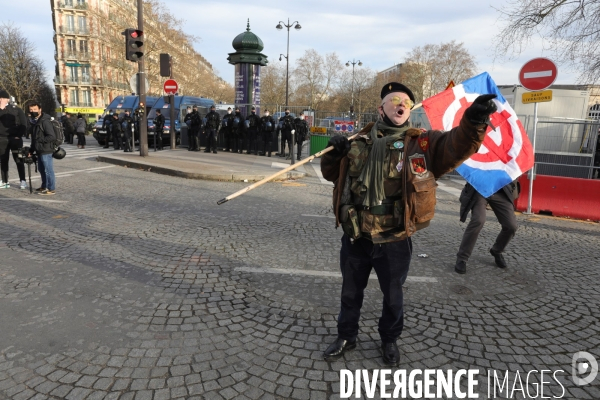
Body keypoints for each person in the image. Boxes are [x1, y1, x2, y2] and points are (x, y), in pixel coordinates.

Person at [320, 82, 496, 366]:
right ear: (381, 108)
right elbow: (332, 175)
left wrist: (474, 121)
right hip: (357, 235)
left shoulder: (423, 144)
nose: (401, 103)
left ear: (410, 110)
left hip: (395, 238)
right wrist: (332, 152)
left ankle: (389, 339)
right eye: (394, 100)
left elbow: (456, 144)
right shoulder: (357, 142)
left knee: (393, 296)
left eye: (406, 101)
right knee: (350, 292)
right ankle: (346, 336)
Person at [454, 181, 520, 274]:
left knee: (511, 225)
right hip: (480, 190)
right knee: (478, 220)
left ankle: (497, 250)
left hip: (501, 190)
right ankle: (462, 258)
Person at [0, 89, 28, 190]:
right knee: (3, 161)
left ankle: (23, 180)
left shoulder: (16, 109)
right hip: (2, 138)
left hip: (15, 138)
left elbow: (24, 123)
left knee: (19, 160)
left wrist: (19, 135)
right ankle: (4, 181)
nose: (0, 100)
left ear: (7, 99)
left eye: (2, 98)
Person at [27, 101, 57, 195]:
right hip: (39, 150)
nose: (33, 111)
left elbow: (52, 136)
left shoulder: (45, 121)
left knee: (48, 170)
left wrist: (40, 140)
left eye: (35, 109)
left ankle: (51, 188)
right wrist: (31, 150)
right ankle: (44, 186)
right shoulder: (35, 121)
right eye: (31, 110)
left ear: (40, 109)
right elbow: (34, 138)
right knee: (41, 169)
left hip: (46, 149)